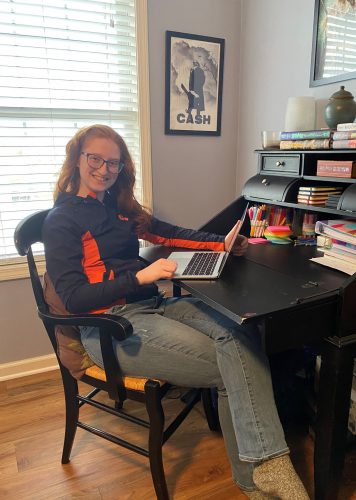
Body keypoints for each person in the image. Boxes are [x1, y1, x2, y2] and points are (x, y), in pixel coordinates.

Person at [43, 124, 309, 500]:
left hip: (152, 305)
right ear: (76, 159)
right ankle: (263, 477)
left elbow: (169, 233)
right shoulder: (62, 221)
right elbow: (72, 298)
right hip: (110, 327)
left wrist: (223, 244)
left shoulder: (116, 209)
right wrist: (139, 277)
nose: (104, 169)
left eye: (113, 164)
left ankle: (264, 474)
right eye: (95, 159)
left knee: (240, 332)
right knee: (236, 366)